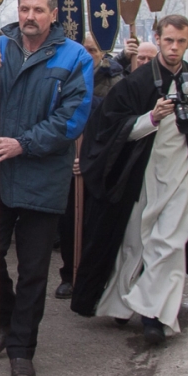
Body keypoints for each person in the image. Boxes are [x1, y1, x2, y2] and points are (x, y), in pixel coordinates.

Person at [0, 0, 93, 376]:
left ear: (53, 14)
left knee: (33, 268)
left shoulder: (75, 57)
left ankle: (21, 347)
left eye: (38, 9)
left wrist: (24, 144)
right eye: (24, 8)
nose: (29, 16)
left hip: (41, 175)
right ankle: (7, 314)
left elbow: (73, 118)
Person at [72, 15, 188, 346]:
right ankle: (123, 300)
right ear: (158, 38)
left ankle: (156, 315)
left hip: (179, 174)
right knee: (134, 243)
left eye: (181, 42)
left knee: (171, 245)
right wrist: (151, 117)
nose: (174, 48)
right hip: (139, 177)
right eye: (169, 40)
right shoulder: (137, 82)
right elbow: (110, 128)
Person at [54, 33, 124, 300]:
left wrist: (90, 160)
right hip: (69, 160)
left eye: (93, 51)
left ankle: (94, 277)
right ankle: (69, 275)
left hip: (97, 163)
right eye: (84, 50)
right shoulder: (67, 75)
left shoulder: (114, 81)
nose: (88, 55)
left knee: (95, 225)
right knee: (69, 223)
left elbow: (114, 124)